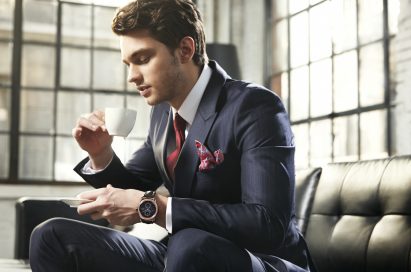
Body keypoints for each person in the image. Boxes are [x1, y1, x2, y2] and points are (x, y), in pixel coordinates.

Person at [29, 0, 316, 271]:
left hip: (261, 261)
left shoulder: (255, 106)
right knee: (51, 235)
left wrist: (153, 207)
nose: (132, 76)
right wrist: (101, 154)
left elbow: (267, 224)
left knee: (189, 244)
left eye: (142, 58)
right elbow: (133, 188)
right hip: (182, 257)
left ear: (185, 50)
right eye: (128, 64)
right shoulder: (162, 115)